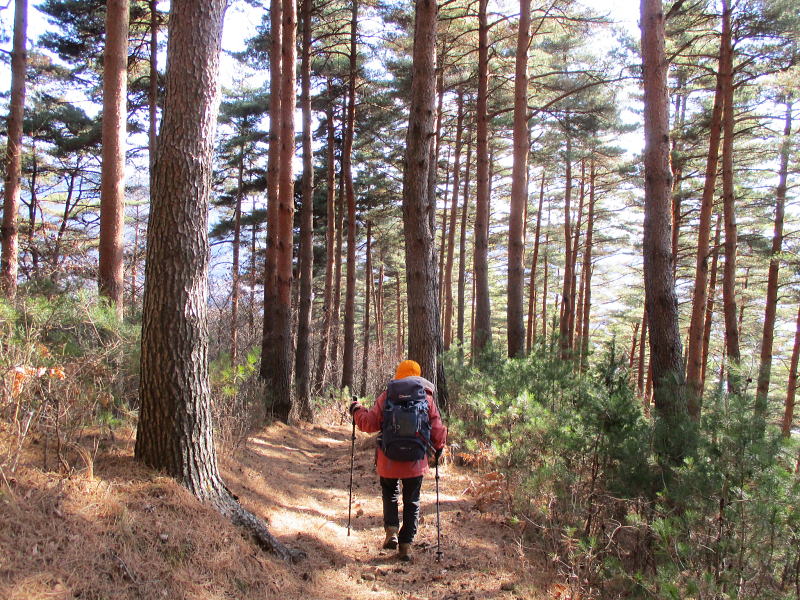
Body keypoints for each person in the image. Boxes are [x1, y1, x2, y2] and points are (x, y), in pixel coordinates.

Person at [349, 359, 447, 561]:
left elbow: (369, 423)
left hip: (388, 458)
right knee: (412, 500)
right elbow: (437, 428)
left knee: (390, 493)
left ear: (398, 375)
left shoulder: (387, 396)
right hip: (416, 461)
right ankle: (406, 546)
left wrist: (357, 410)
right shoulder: (426, 398)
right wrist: (439, 449)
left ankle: (391, 530)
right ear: (418, 377)